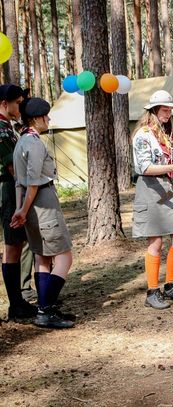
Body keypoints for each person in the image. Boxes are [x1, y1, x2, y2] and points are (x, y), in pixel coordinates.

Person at [10, 97, 73, 328]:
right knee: (65, 256)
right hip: (42, 202)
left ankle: (46, 307)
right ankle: (45, 310)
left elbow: (19, 182)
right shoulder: (34, 143)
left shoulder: (20, 141)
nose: (49, 119)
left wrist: (20, 209)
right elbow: (34, 183)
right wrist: (24, 211)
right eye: (46, 116)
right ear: (36, 119)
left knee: (42, 257)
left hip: (29, 204)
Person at [132, 90, 173, 310]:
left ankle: (171, 285)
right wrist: (172, 168)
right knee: (155, 242)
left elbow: (168, 166)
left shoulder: (165, 134)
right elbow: (144, 167)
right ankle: (152, 291)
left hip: (166, 186)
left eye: (170, 110)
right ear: (154, 111)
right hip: (149, 188)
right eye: (165, 110)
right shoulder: (143, 134)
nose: (168, 113)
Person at [0, 84, 36, 320]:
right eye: (17, 103)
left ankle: (17, 302)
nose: (20, 107)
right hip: (7, 190)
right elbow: (13, 167)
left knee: (16, 245)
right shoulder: (1, 131)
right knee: (12, 247)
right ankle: (16, 305)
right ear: (5, 103)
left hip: (11, 190)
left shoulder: (8, 127)